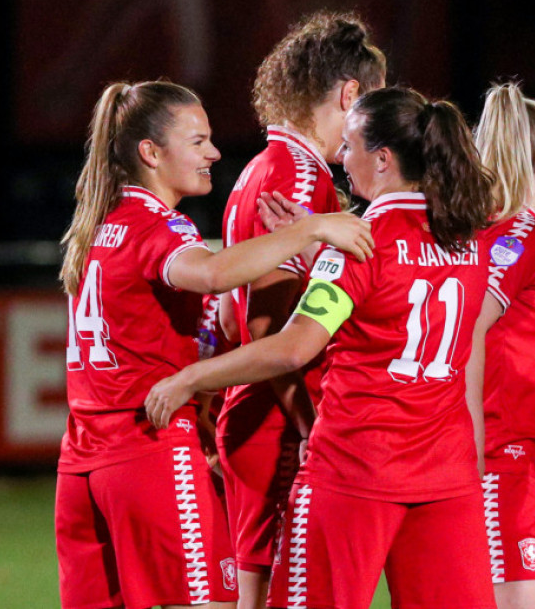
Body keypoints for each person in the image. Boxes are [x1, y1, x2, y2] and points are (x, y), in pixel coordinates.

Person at [144, 86, 498, 609]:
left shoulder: (361, 239)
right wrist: (314, 254)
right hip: (446, 474)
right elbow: (400, 307)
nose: (340, 157)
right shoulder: (464, 238)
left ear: (382, 159)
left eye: (350, 145)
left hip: (355, 469)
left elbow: (293, 349)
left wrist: (189, 379)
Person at [57, 80, 374, 609]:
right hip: (148, 446)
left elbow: (219, 313)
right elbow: (210, 275)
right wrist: (314, 229)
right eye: (198, 141)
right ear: (151, 153)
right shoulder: (158, 226)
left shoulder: (101, 225)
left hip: (82, 463)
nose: (214, 153)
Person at [216, 10, 387, 609]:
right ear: (351, 95)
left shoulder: (260, 169)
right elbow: (264, 326)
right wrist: (312, 423)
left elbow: (233, 318)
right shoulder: (299, 175)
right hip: (282, 424)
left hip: (263, 416)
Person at [466, 83, 535, 608]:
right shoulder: (521, 231)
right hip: (497, 464)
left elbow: (507, 346)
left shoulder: (496, 230)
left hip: (513, 459)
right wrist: (475, 443)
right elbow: (467, 330)